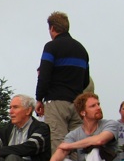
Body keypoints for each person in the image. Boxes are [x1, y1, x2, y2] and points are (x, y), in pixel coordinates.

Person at [35, 11, 91, 151]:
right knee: (76, 145)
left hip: (56, 102)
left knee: (58, 144)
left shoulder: (51, 47)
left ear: (52, 28)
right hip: (77, 104)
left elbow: (44, 75)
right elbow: (85, 81)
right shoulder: (82, 50)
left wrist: (39, 98)